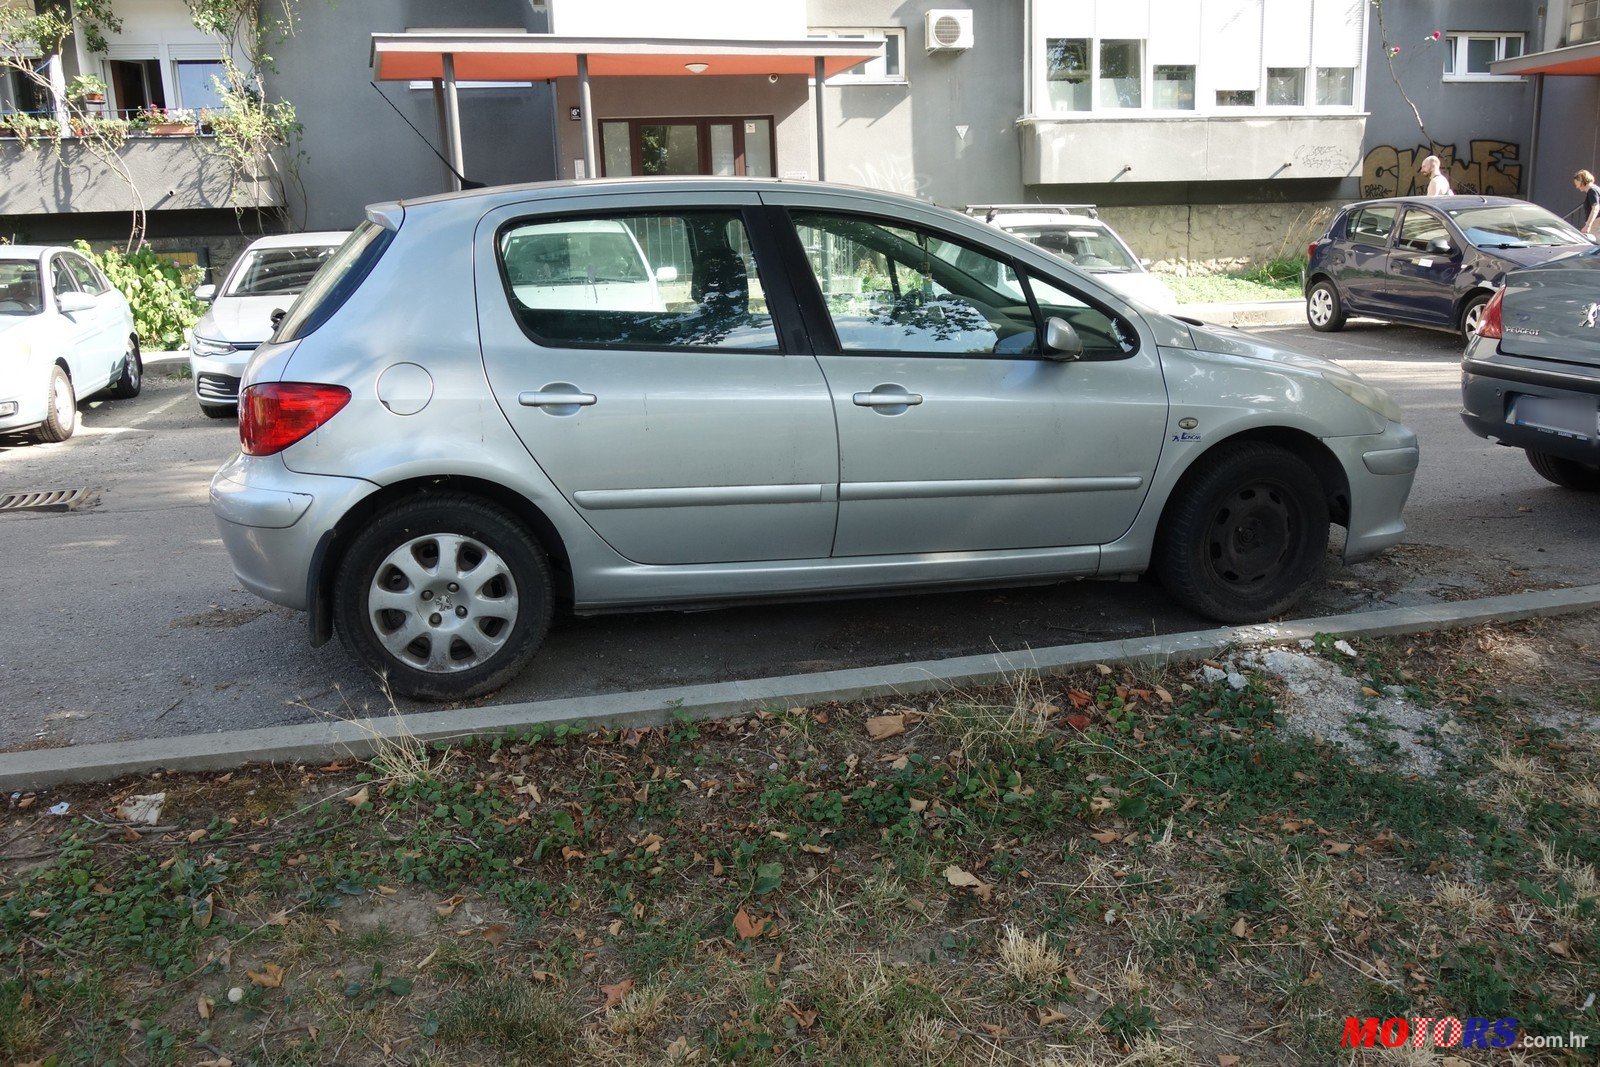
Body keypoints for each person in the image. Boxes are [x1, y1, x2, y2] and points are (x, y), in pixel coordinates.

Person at [1574, 170, 1600, 238]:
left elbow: (1595, 208)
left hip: (1596, 224)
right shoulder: (1596, 189)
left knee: (1594, 246)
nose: (1577, 186)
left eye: (1577, 183)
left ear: (1582, 181)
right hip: (1596, 223)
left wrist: (1588, 225)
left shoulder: (1592, 191)